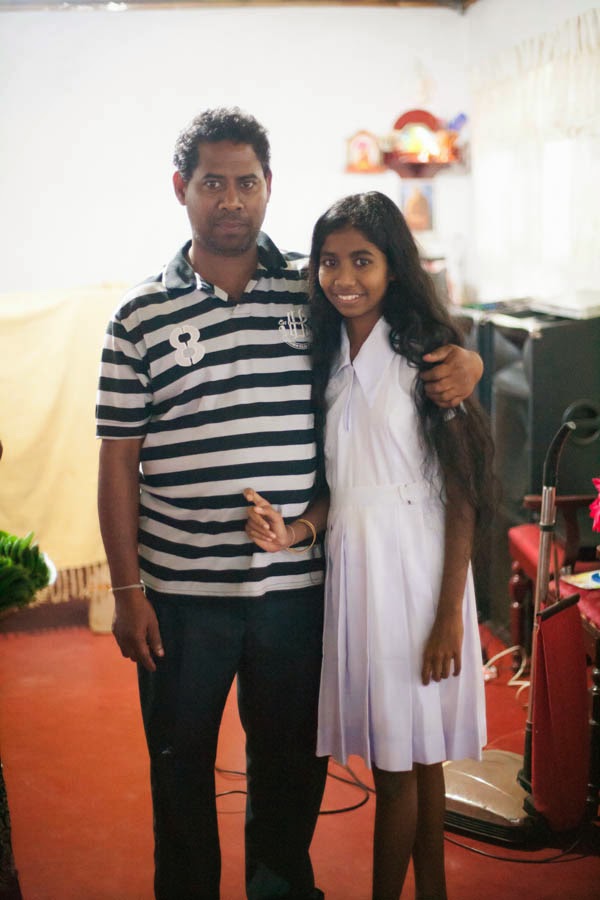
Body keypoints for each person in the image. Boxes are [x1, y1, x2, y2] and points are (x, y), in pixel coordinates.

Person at [96, 109, 484, 900]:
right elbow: (117, 463)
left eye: (246, 182)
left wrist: (466, 361)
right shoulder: (138, 317)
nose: (231, 199)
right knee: (179, 768)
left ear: (269, 186)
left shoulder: (309, 294)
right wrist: (128, 590)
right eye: (213, 182)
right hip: (182, 598)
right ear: (181, 188)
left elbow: (402, 326)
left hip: (296, 594)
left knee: (288, 771)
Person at [245, 192, 494, 900]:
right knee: (416, 756)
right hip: (357, 568)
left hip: (416, 575)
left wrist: (448, 617)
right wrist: (296, 531)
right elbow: (341, 487)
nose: (343, 277)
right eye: (329, 261)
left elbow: (464, 493)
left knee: (399, 766)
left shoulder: (426, 356)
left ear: (394, 266)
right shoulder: (329, 356)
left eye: (362, 260)